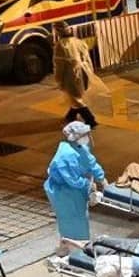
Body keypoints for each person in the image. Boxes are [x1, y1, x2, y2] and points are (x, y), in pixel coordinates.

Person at [45, 121, 106, 255]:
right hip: (64, 192)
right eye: (85, 134)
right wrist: (89, 186)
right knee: (71, 221)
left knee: (80, 219)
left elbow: (90, 161)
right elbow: (72, 180)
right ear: (76, 136)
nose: (88, 137)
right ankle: (75, 252)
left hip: (74, 191)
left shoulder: (80, 147)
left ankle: (76, 247)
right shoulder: (66, 155)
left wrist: (101, 177)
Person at [53, 22, 100, 128]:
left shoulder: (61, 46)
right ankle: (70, 116)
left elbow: (59, 65)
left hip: (71, 75)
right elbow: (87, 58)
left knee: (76, 98)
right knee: (75, 97)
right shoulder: (79, 42)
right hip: (84, 72)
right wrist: (90, 72)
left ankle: (90, 120)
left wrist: (58, 79)